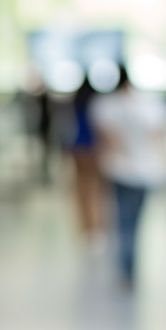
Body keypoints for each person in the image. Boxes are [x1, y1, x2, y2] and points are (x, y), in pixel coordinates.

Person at [88, 65, 166, 286]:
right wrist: (163, 166)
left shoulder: (107, 106)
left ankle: (126, 268)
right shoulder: (152, 106)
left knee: (122, 219)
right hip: (146, 172)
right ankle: (130, 267)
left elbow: (105, 140)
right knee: (135, 221)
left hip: (119, 170)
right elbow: (160, 138)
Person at [69, 77, 106, 240]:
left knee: (82, 189)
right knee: (97, 189)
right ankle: (96, 226)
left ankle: (87, 226)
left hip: (78, 147)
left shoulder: (77, 104)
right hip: (93, 148)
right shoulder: (98, 105)